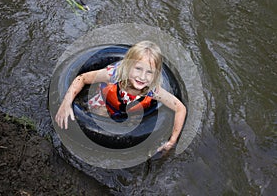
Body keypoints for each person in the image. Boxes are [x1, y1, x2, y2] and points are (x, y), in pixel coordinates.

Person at [55, 41, 187, 151]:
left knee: (133, 125)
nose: (142, 77)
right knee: (98, 115)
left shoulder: (152, 89)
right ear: (128, 66)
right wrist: (66, 103)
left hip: (129, 109)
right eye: (138, 69)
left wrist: (172, 140)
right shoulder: (113, 74)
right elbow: (82, 78)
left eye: (149, 72)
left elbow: (180, 108)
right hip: (105, 102)